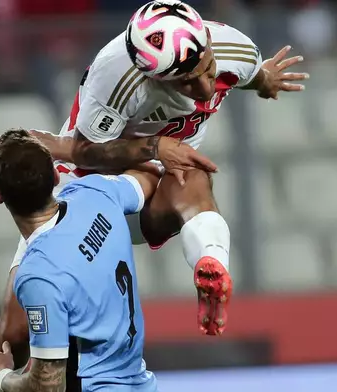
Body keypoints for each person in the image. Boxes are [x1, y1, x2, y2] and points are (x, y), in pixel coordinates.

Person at [30, 0, 308, 336]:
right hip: (87, 201)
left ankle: (212, 263)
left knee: (193, 172)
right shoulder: (116, 76)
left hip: (155, 204)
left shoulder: (236, 48)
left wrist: (267, 81)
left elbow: (252, 75)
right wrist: (156, 147)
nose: (205, 89)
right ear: (154, 78)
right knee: (26, 333)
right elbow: (84, 153)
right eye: (187, 83)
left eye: (208, 68)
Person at [0, 128, 160, 391]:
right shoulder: (95, 192)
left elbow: (48, 386)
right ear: (57, 175)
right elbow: (150, 174)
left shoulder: (39, 275)